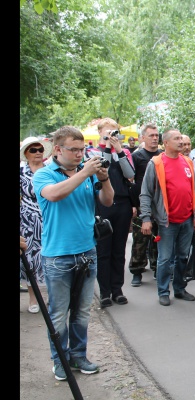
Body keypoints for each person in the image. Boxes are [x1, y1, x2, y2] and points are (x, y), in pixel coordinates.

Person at [32, 125, 114, 381]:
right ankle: (60, 361)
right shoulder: (44, 174)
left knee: (81, 311)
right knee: (58, 313)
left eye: (82, 150)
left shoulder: (85, 173)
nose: (80, 154)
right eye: (74, 150)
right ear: (57, 149)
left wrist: (104, 179)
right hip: (58, 255)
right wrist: (85, 172)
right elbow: (55, 195)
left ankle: (78, 356)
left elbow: (108, 201)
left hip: (87, 250)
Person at [139, 128, 195, 306]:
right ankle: (163, 292)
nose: (181, 142)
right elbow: (146, 193)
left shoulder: (187, 162)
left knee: (182, 257)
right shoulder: (156, 163)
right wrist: (146, 218)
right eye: (176, 139)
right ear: (165, 143)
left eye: (181, 138)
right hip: (167, 222)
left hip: (187, 219)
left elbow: (193, 191)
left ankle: (179, 289)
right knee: (164, 259)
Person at [85, 118, 135, 307]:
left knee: (119, 250)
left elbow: (130, 175)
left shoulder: (125, 152)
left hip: (122, 203)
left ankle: (117, 289)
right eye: (108, 132)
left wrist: (119, 150)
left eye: (115, 132)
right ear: (100, 132)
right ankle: (105, 292)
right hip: (103, 204)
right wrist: (107, 147)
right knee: (103, 250)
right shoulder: (91, 152)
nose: (112, 136)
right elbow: (101, 170)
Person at [20, 136, 53, 314]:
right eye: (33, 150)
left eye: (40, 149)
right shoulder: (21, 172)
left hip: (49, 219)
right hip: (27, 222)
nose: (38, 153)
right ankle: (34, 298)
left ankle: (53, 296)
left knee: (50, 258)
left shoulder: (50, 170)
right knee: (30, 260)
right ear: (26, 153)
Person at [129, 123, 163, 286]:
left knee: (158, 238)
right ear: (143, 138)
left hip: (159, 204)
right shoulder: (137, 156)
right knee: (140, 239)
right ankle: (137, 270)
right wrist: (133, 205)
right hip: (142, 204)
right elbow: (131, 182)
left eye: (157, 135)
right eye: (151, 135)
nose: (155, 138)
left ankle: (157, 267)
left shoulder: (162, 155)